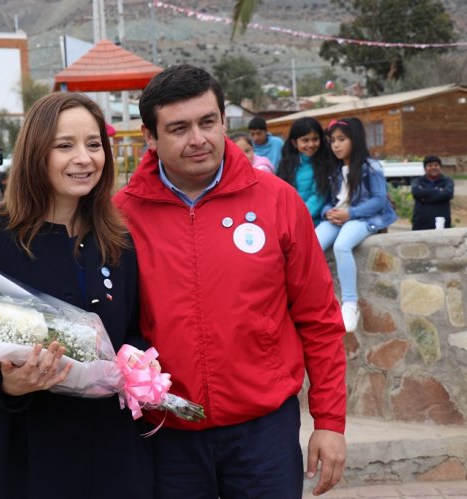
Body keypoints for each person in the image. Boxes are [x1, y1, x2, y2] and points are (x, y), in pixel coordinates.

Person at [113, 64, 346, 498]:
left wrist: (329, 421)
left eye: (207, 122)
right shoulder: (120, 216)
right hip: (167, 432)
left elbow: (319, 318)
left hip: (264, 433)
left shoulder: (278, 200)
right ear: (150, 137)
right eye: (178, 128)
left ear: (224, 121)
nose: (197, 138)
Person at [0, 92, 153, 499]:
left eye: (94, 145)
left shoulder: (118, 239)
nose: (84, 158)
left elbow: (132, 330)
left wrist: (138, 365)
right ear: (35, 153)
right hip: (16, 450)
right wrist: (9, 385)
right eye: (65, 146)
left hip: (107, 452)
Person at [316, 117, 397, 332]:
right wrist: (328, 212)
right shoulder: (334, 170)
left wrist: (350, 213)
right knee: (312, 245)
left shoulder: (370, 166)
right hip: (338, 217)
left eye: (342, 139)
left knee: (342, 246)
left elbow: (379, 200)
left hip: (364, 217)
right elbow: (328, 201)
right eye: (332, 140)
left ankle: (350, 304)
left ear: (356, 139)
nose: (336, 145)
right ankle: (313, 298)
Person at [277, 117, 334, 226]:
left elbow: (318, 198)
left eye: (315, 139)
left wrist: (295, 218)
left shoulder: (326, 163)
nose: (311, 144)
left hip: (313, 221)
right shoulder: (286, 164)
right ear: (294, 143)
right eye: (305, 140)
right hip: (289, 219)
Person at [411, 154, 454, 230]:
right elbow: (416, 193)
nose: (433, 167)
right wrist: (438, 191)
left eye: (436, 165)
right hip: (420, 224)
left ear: (440, 167)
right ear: (425, 168)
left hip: (441, 223)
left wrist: (425, 197)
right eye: (430, 165)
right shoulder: (417, 181)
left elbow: (448, 194)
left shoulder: (447, 181)